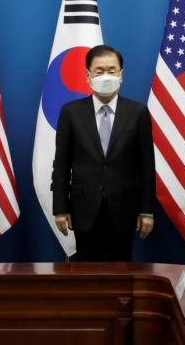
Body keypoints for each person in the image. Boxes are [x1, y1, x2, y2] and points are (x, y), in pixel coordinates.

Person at [51, 44, 156, 262]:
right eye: (99, 71)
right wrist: (60, 208)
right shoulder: (71, 112)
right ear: (88, 76)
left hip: (125, 209)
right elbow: (61, 164)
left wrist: (146, 211)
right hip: (84, 208)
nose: (106, 76)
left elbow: (147, 166)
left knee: (122, 271)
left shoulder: (137, 113)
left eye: (111, 70)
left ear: (121, 75)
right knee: (88, 273)